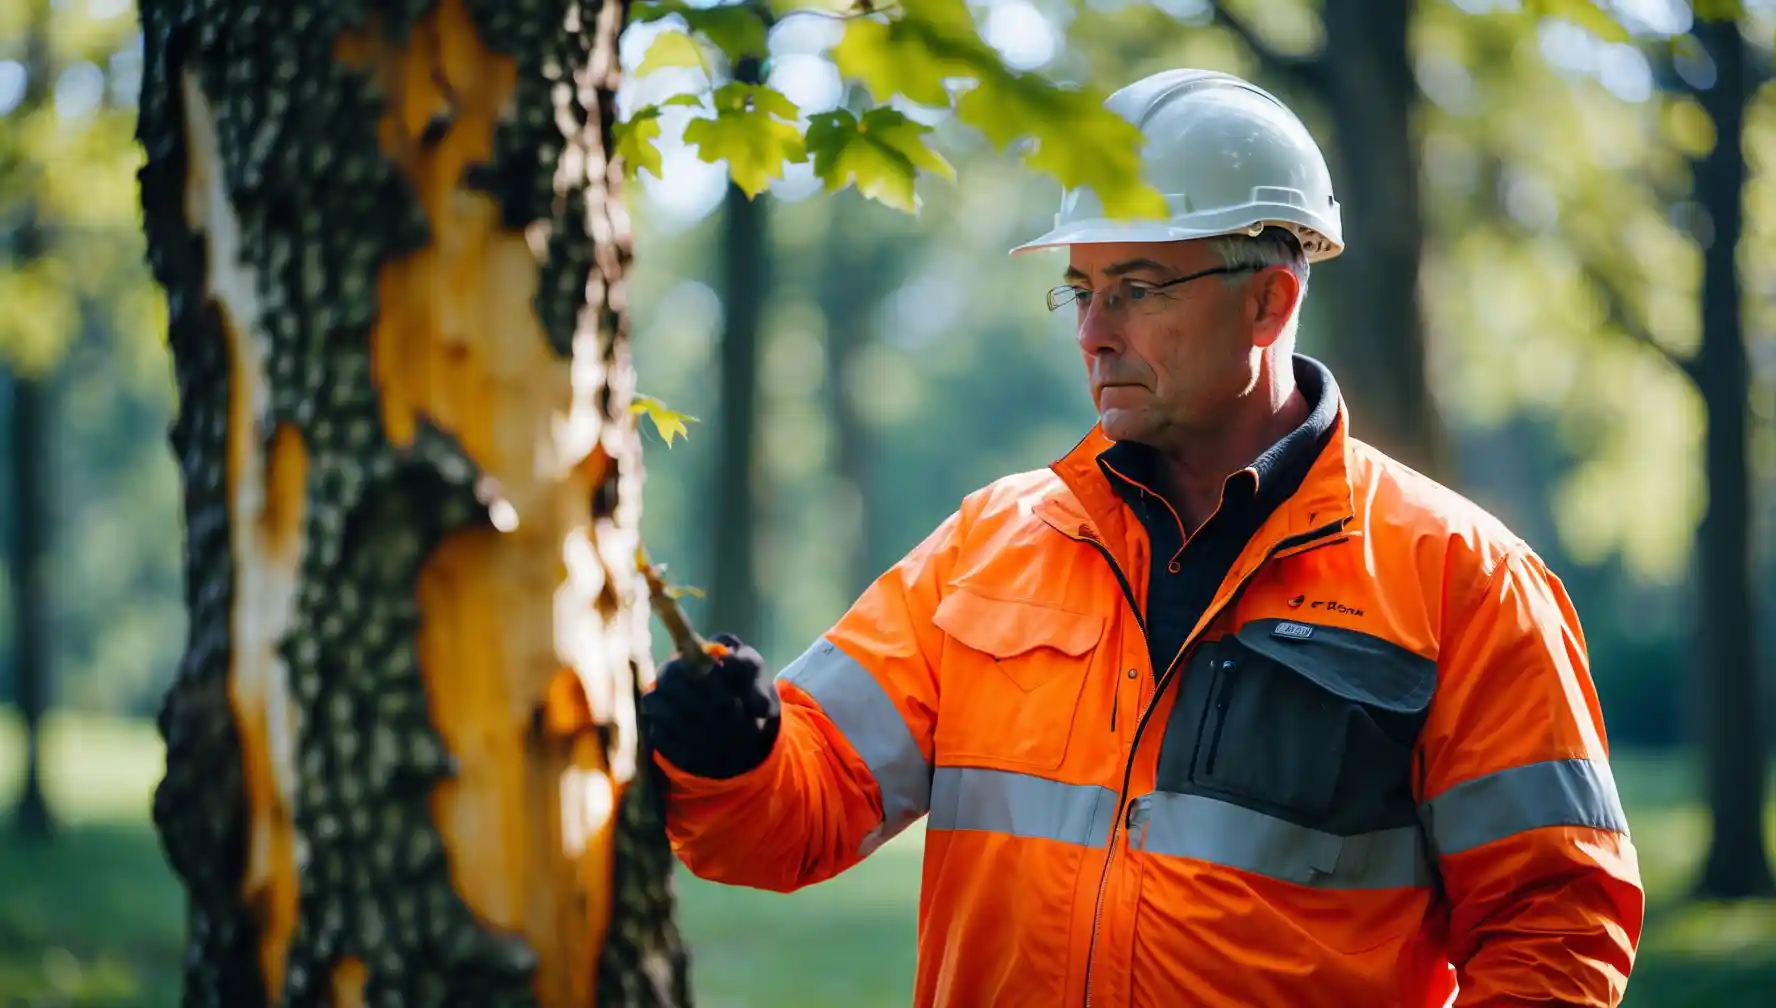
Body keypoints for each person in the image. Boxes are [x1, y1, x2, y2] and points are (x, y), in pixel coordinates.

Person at [640, 69, 1644, 1007]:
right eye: (1082, 290)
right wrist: (738, 751)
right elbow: (800, 816)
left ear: (1269, 300)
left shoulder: (1465, 579)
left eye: (1137, 287)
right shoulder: (988, 545)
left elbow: (1556, 927)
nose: (1093, 332)